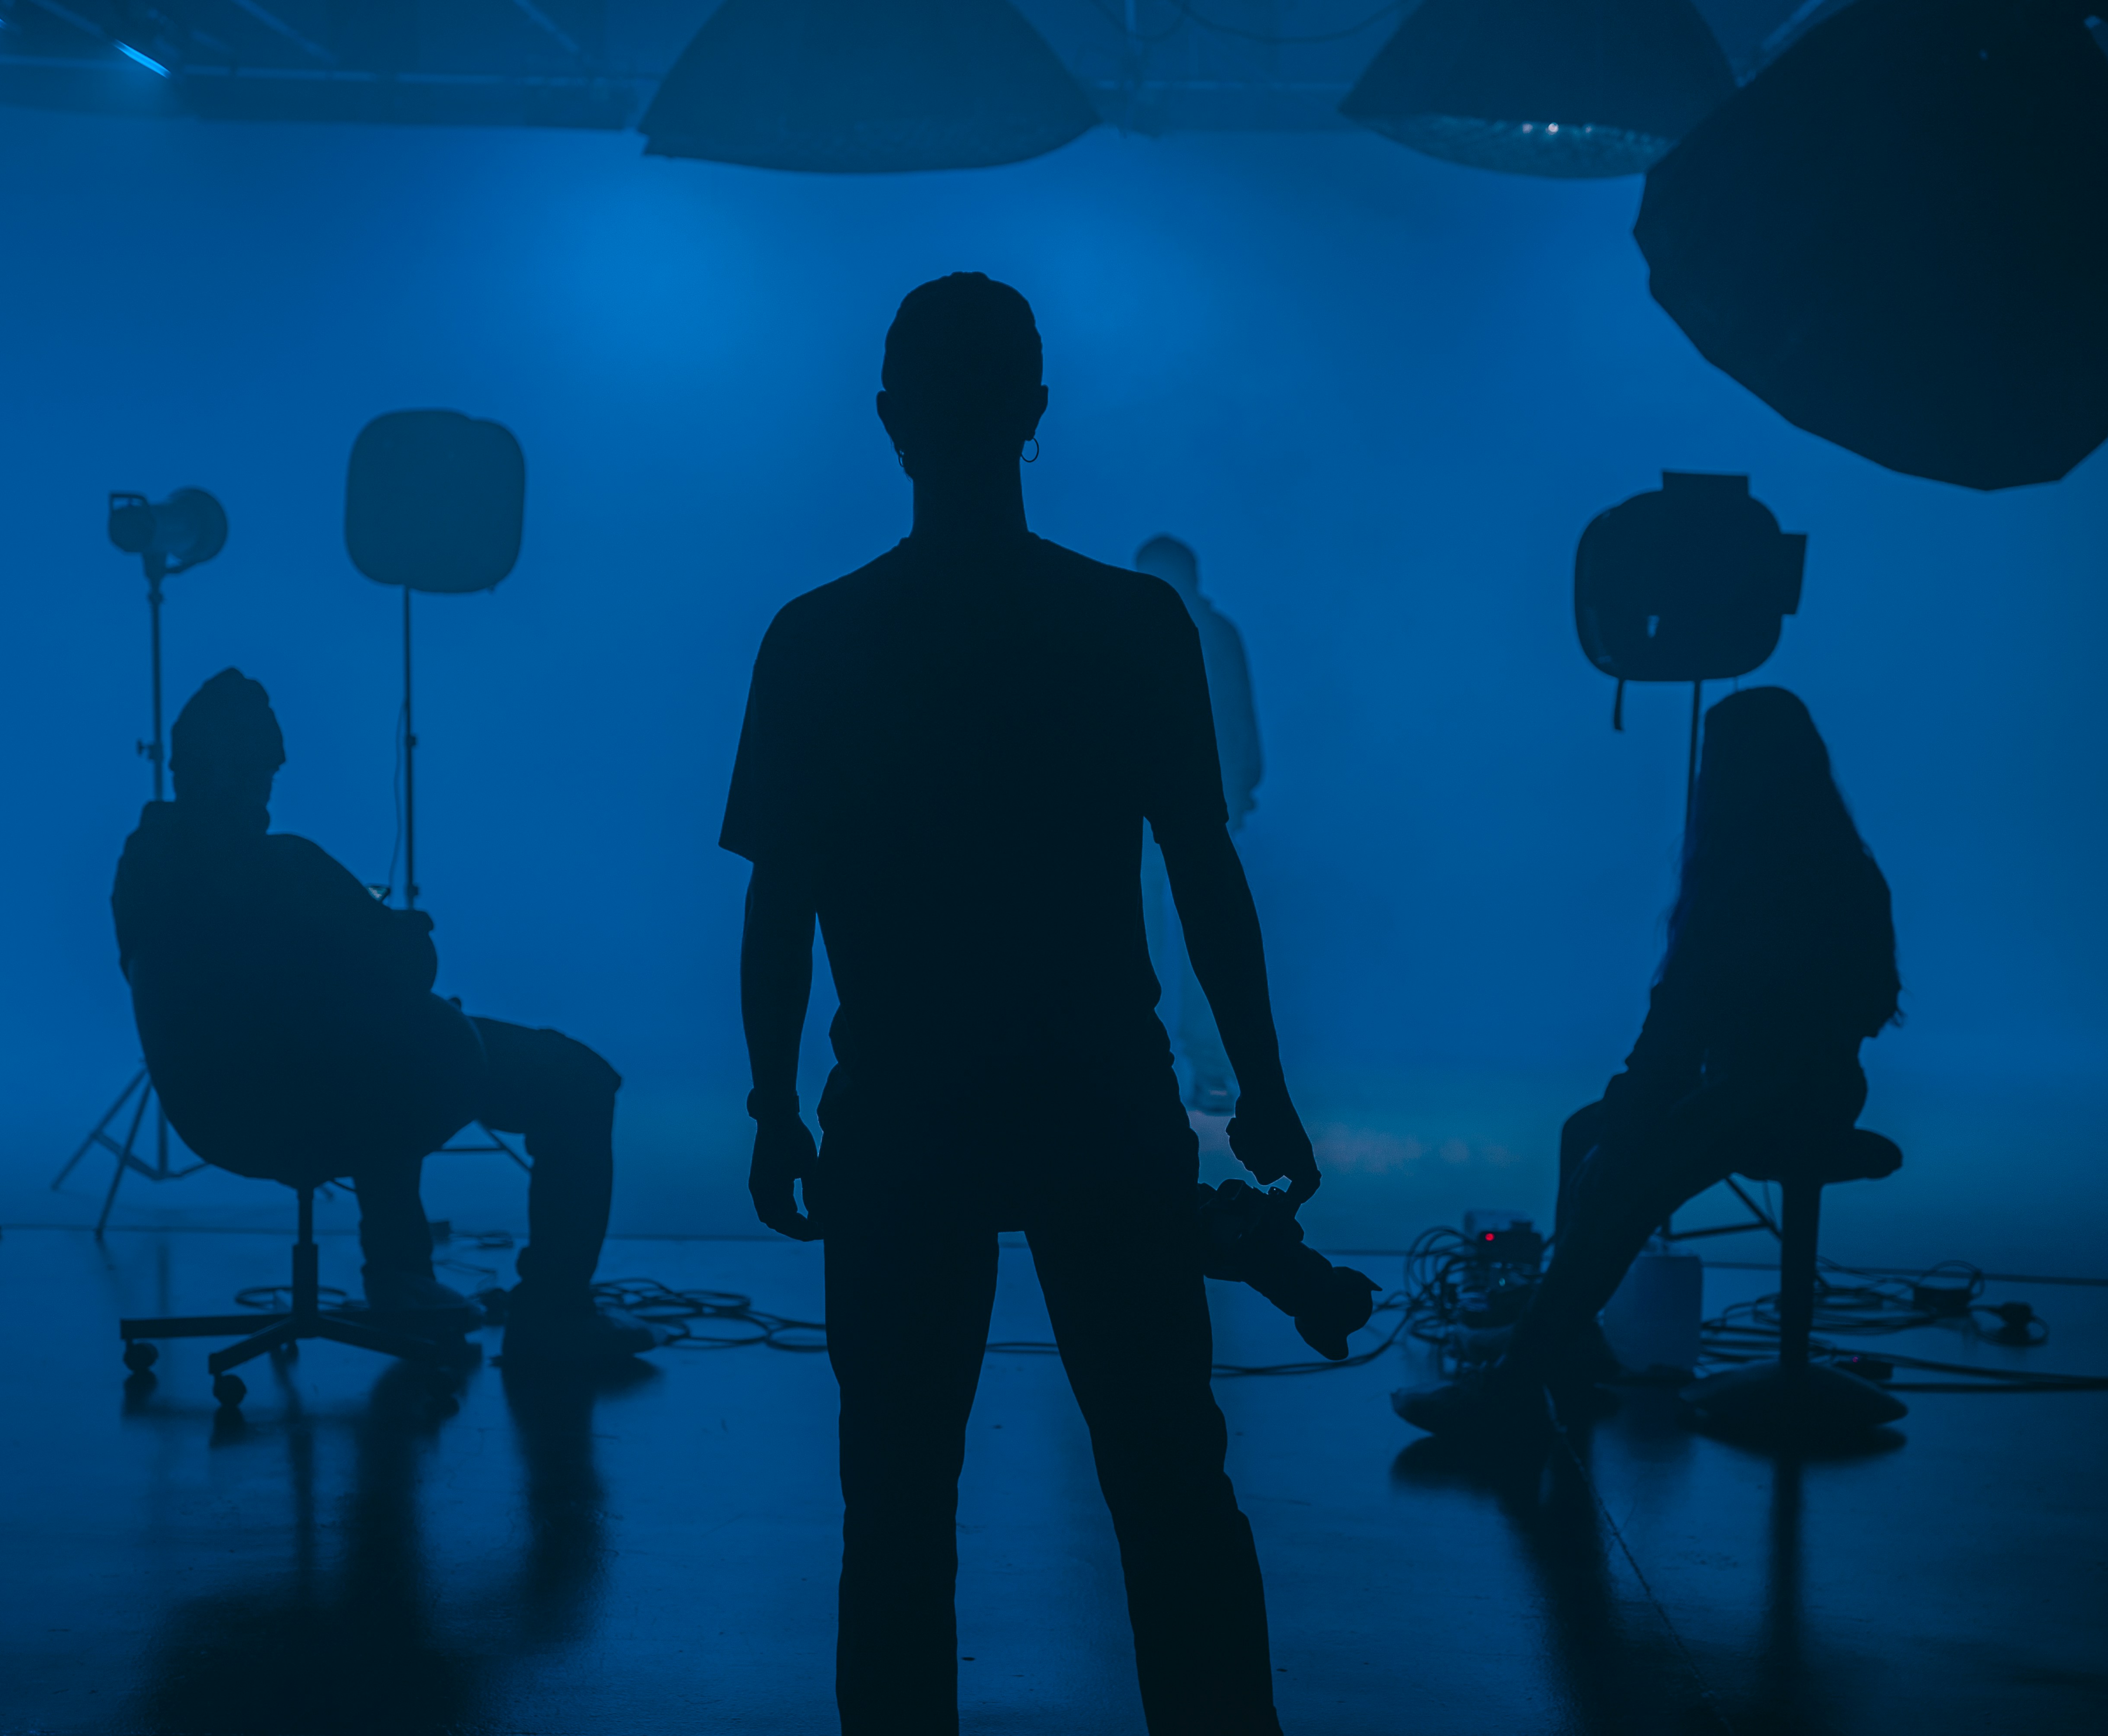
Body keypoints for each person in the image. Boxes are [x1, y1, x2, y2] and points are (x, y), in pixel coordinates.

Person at [723, 272, 1319, 1736]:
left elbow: (779, 903)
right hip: (1098, 1098)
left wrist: (775, 1104)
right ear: (1034, 415)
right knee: (1171, 1482)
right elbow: (1202, 872)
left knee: (900, 1506)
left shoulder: (817, 637)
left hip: (901, 1113)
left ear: (891, 423)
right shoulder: (1129, 626)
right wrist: (1262, 1084)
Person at [1392, 686, 1901, 1437]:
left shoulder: (1742, 881)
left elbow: (1674, 1030)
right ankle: (1570, 1340)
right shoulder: (1849, 868)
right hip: (1822, 1090)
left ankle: (1514, 1384)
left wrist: (1635, 1121)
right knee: (1586, 1134)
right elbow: (1873, 1001)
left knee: (1618, 1171)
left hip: (1752, 1096)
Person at [111, 668, 653, 1366]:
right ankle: (554, 1316)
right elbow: (409, 970)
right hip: (324, 1099)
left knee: (370, 1047)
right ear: (238, 770)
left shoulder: (142, 866)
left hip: (222, 1112)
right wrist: (402, 929)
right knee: (575, 1080)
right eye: (265, 774)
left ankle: (401, 1277)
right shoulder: (282, 866)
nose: (269, 793)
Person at [1134, 535, 1262, 1114]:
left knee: (1146, 940)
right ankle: (1201, 1072)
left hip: (1147, 817)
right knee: (1198, 946)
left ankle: (1150, 1064)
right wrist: (1240, 790)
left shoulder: (1126, 630)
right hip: (1197, 815)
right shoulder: (1215, 634)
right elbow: (1240, 723)